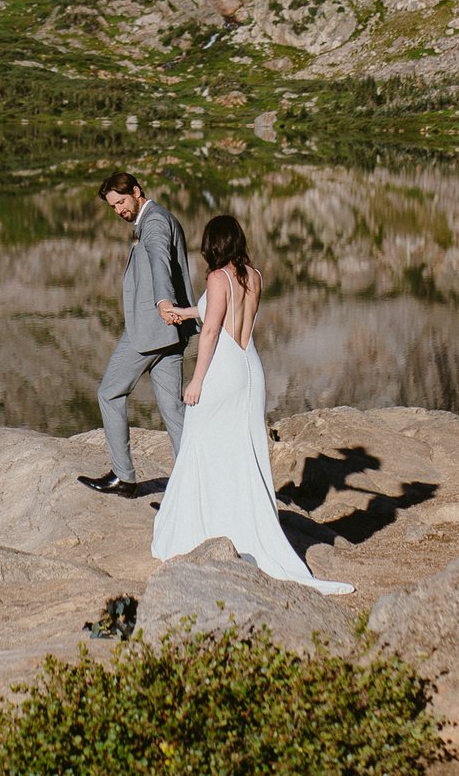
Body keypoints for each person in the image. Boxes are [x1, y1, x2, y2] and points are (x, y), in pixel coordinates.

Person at [148, 213, 351, 592]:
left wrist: (196, 381)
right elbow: (222, 313)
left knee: (199, 444)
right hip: (250, 368)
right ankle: (245, 522)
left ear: (213, 245)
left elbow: (211, 331)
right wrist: (185, 312)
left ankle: (201, 527)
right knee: (244, 449)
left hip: (222, 369)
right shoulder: (253, 275)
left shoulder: (215, 277)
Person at [76, 171, 197, 499]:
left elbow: (158, 260)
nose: (118, 210)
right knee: (173, 408)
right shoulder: (162, 217)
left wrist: (162, 300)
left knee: (109, 393)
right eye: (113, 206)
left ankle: (123, 477)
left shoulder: (154, 222)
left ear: (137, 191)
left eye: (121, 202)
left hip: (152, 326)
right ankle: (197, 483)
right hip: (171, 330)